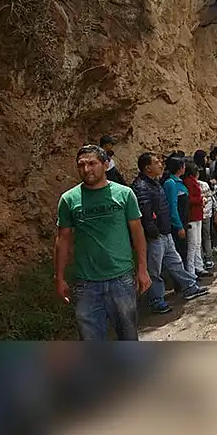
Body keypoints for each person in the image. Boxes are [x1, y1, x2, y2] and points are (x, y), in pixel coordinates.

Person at [54, 145, 151, 340]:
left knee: (128, 339)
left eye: (92, 163)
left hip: (121, 280)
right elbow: (62, 239)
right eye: (81, 165)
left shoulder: (124, 194)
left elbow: (138, 234)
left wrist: (143, 269)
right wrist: (60, 277)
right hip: (86, 284)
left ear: (106, 165)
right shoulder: (69, 199)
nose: (86, 169)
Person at [131, 152, 209, 314]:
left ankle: (189, 287)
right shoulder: (142, 187)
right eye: (156, 162)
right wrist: (154, 231)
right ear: (148, 168)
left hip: (164, 232)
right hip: (155, 236)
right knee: (154, 270)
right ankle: (156, 300)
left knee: (175, 263)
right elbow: (145, 213)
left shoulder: (154, 183)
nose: (160, 164)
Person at [163, 155, 192, 274]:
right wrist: (179, 226)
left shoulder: (179, 182)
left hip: (184, 220)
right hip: (177, 224)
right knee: (179, 253)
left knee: (184, 251)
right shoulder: (170, 184)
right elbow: (172, 206)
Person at [183, 161, 212, 278]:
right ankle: (191, 270)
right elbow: (189, 199)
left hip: (197, 214)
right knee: (192, 244)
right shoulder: (189, 182)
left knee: (197, 243)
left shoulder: (192, 182)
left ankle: (198, 266)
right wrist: (201, 200)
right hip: (192, 216)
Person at [198, 162, 217, 268]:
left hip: (196, 215)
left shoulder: (190, 184)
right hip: (207, 214)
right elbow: (213, 199)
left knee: (198, 239)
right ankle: (208, 258)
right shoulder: (205, 185)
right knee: (206, 236)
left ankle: (200, 259)